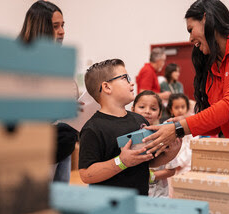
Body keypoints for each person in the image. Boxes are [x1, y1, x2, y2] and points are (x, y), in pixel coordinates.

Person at [142, 0, 229, 156]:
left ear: (205, 19)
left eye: (191, 30)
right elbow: (219, 123)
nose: (190, 39)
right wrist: (184, 121)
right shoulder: (212, 66)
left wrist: (181, 127)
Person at [78, 59, 181, 196]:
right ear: (107, 87)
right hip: (109, 205)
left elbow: (148, 160)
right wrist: (121, 162)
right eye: (125, 78)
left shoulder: (139, 120)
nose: (131, 83)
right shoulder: (93, 128)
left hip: (141, 199)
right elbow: (86, 174)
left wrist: (171, 152)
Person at [19, 0, 77, 183]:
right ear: (40, 28)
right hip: (38, 148)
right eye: (55, 26)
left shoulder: (59, 61)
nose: (62, 31)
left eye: (63, 25)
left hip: (63, 145)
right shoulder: (22, 63)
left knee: (61, 203)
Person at [131, 91, 180, 197]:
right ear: (132, 109)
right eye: (142, 107)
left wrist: (150, 176)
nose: (147, 111)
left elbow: (171, 170)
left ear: (159, 114)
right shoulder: (128, 137)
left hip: (159, 195)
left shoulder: (165, 137)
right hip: (135, 194)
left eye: (153, 109)